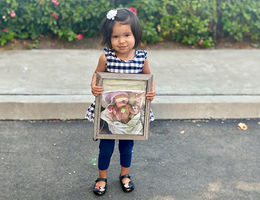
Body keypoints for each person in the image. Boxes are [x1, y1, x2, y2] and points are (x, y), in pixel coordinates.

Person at [85, 8, 155, 196]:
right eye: (116, 36)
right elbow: (96, 75)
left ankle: (125, 175)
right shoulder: (106, 57)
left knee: (127, 146)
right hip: (108, 110)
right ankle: (102, 177)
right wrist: (94, 86)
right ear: (109, 38)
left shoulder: (142, 58)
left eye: (127, 35)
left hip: (131, 113)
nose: (122, 40)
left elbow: (148, 77)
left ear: (136, 35)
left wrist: (151, 91)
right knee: (105, 147)